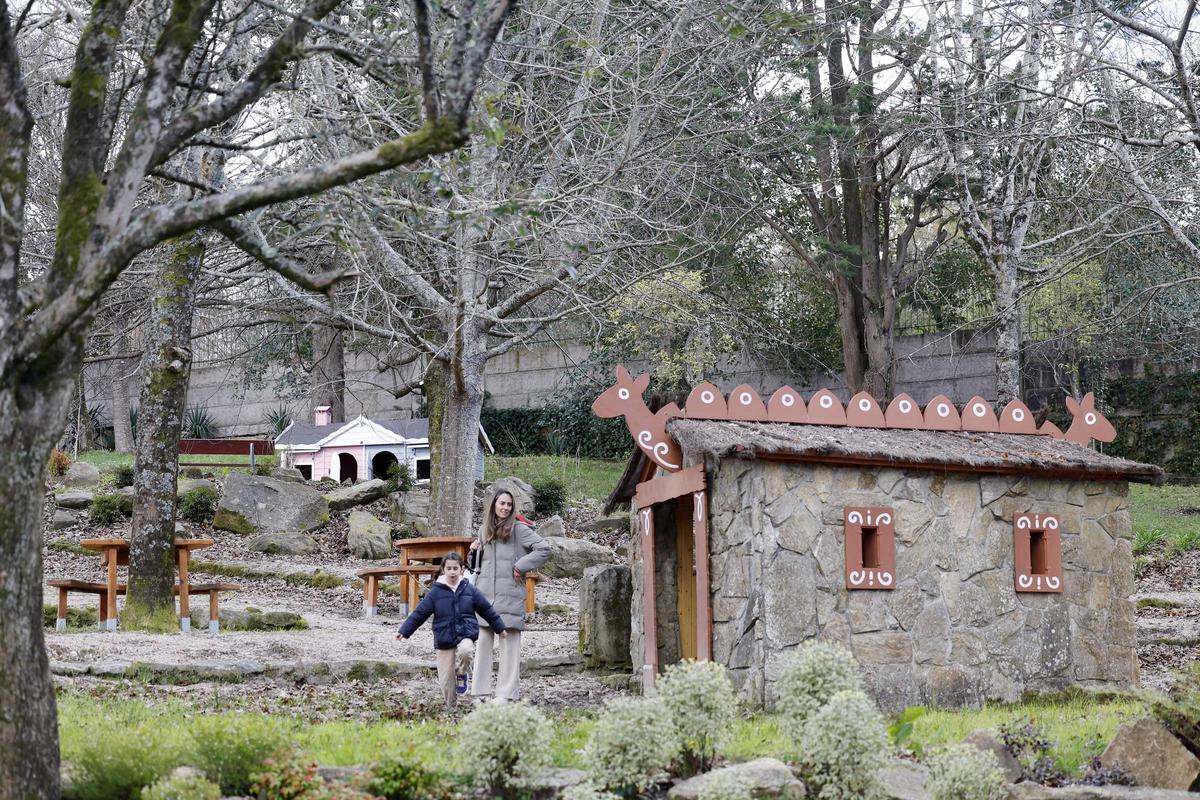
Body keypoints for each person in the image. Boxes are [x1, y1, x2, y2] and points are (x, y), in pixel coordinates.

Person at [395, 552, 506, 709]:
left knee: (467, 650)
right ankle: (450, 706)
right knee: (446, 677)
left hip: (465, 632)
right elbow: (420, 613)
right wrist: (404, 631)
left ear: (461, 569)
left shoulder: (469, 589)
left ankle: (462, 674)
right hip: (444, 636)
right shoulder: (436, 592)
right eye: (449, 568)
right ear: (443, 570)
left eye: (456, 568)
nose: (452, 572)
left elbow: (486, 609)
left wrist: (500, 628)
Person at [469, 489, 551, 701]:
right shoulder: (483, 529)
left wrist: (521, 565)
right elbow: (476, 565)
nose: (505, 508)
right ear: (494, 504)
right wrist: (473, 551)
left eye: (509, 504)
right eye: (501, 503)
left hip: (510, 595)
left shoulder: (519, 529)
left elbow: (544, 548)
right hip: (485, 596)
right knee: (484, 645)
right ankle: (480, 692)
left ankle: (506, 694)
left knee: (510, 646)